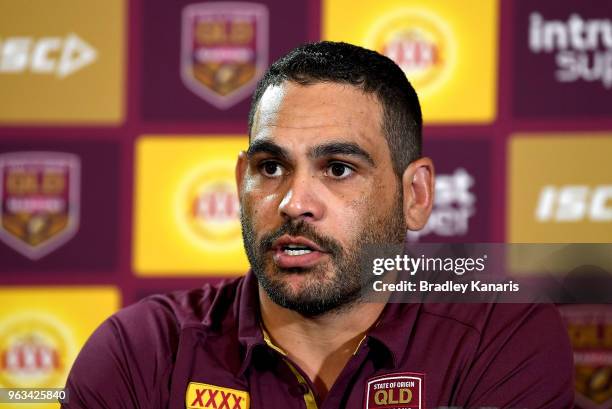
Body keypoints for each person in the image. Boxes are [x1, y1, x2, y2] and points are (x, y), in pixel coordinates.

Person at [62, 41, 574, 409]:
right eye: (271, 168)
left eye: (338, 169)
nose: (293, 202)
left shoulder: (500, 337)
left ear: (415, 195)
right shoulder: (140, 352)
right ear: (242, 181)